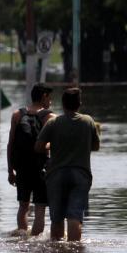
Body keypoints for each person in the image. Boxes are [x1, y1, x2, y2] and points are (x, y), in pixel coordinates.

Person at [34, 88, 100, 242]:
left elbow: (38, 147)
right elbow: (96, 147)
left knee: (57, 219)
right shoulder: (88, 121)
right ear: (79, 104)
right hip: (81, 175)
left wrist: (52, 145)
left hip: (56, 175)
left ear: (63, 104)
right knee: (74, 216)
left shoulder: (53, 122)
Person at [7, 83, 55, 236]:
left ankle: (22, 240)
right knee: (40, 209)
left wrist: (10, 170)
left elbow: (10, 144)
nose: (51, 102)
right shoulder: (50, 117)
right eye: (50, 97)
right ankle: (35, 242)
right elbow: (52, 144)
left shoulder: (17, 115)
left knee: (23, 207)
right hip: (41, 168)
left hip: (22, 168)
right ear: (44, 96)